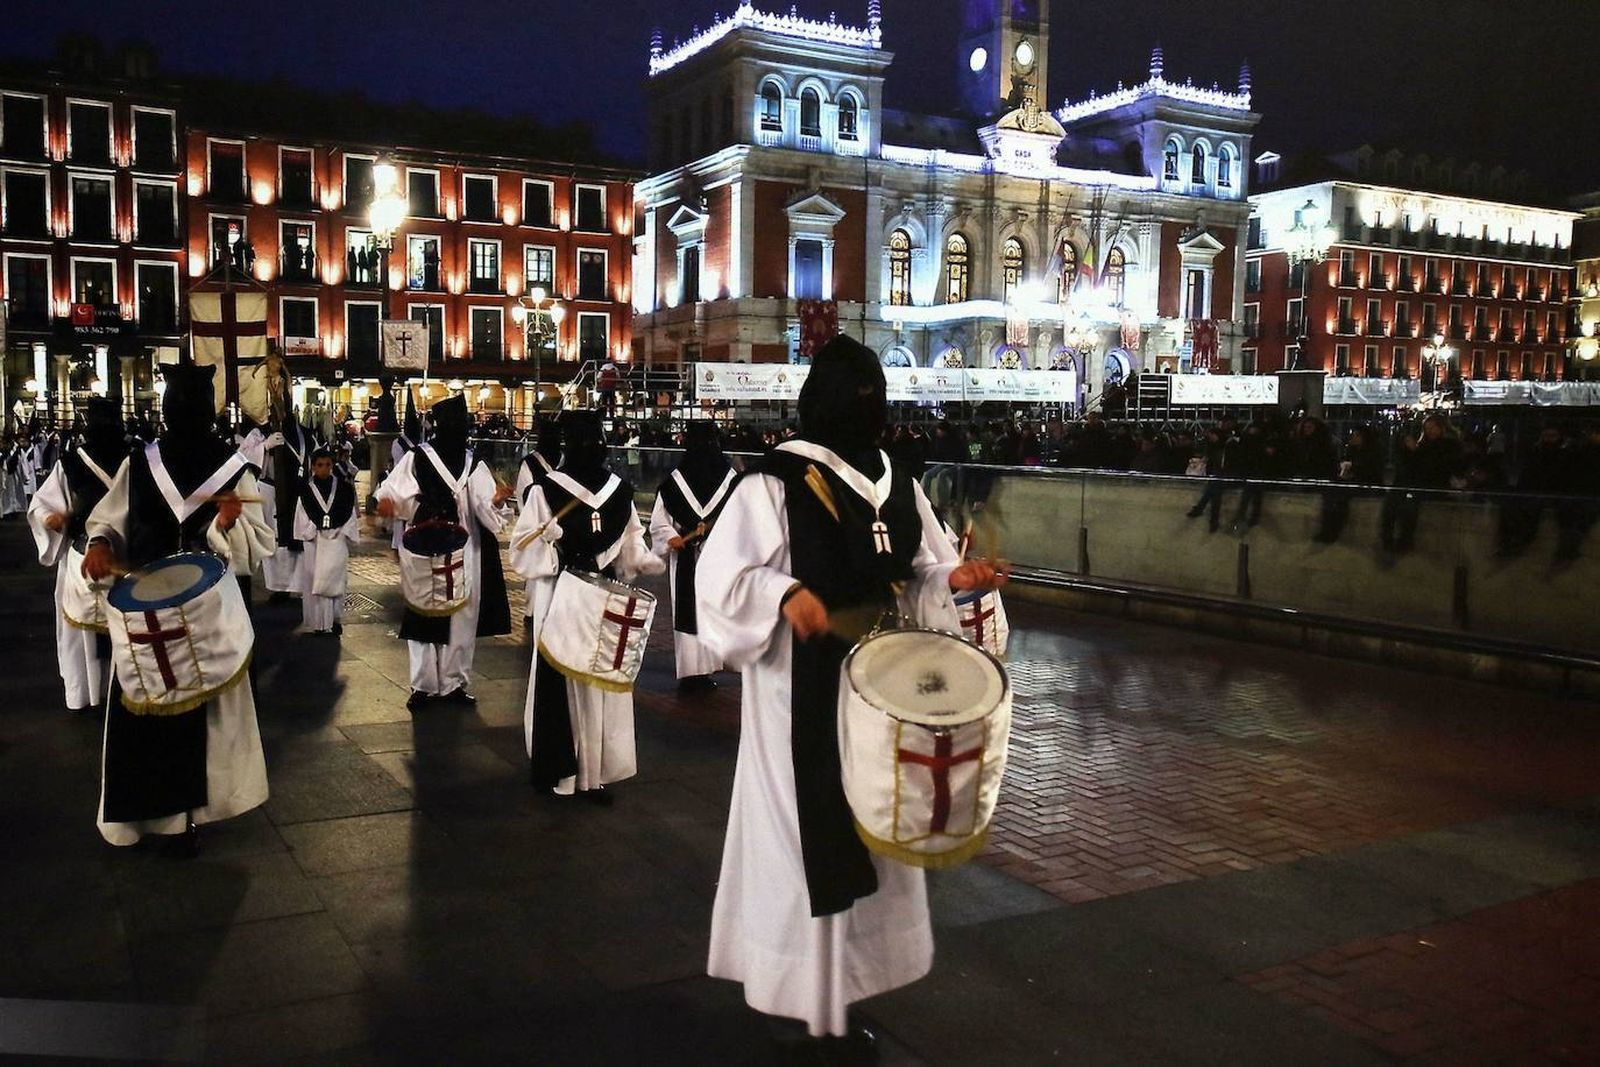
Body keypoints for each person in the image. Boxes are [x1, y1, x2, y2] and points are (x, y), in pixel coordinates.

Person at [695, 336, 1007, 1055]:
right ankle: (806, 1004)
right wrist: (783, 593)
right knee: (803, 839)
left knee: (873, 818)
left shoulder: (898, 482)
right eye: (857, 396)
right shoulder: (775, 482)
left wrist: (953, 579)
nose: (868, 408)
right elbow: (724, 576)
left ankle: (839, 1000)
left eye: (875, 395)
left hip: (879, 687)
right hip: (796, 689)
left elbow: (919, 571)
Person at [81, 364, 274, 849]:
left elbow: (258, 546)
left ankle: (188, 817)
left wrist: (227, 524)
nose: (182, 410)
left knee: (202, 720)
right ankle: (145, 818)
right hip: (146, 609)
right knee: (142, 710)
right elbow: (109, 519)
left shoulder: (232, 467)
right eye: (178, 401)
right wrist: (99, 543)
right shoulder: (141, 462)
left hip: (208, 615)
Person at [511, 411, 663, 803]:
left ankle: (581, 775)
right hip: (592, 592)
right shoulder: (611, 491)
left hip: (573, 592)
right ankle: (582, 775)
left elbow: (524, 551)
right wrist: (643, 560)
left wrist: (554, 545)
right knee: (586, 679)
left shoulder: (555, 490)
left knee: (581, 678)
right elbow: (632, 547)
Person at [376, 394, 512, 709]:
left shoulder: (472, 462)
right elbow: (392, 493)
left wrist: (496, 502)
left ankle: (453, 684)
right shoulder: (418, 458)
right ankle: (423, 685)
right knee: (423, 613)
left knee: (461, 619)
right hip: (426, 547)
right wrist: (393, 505)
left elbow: (485, 507)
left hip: (465, 549)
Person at [28, 397, 126, 712]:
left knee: (87, 635)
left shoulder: (73, 463)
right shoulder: (135, 459)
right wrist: (51, 518)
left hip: (89, 558)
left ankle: (89, 694)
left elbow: (43, 504)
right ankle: (108, 692)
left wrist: (50, 518)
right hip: (116, 557)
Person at [649, 422, 739, 690]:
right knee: (694, 610)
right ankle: (693, 672)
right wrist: (671, 537)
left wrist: (669, 535)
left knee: (705, 610)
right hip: (701, 556)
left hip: (700, 556)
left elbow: (659, 521)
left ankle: (703, 669)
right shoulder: (729, 480)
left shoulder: (676, 483)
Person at [293, 447, 360, 636]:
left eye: (328, 465)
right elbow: (302, 516)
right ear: (313, 467)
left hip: (336, 539)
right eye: (320, 465)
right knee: (314, 578)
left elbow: (349, 514)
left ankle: (335, 619)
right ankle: (318, 623)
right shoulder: (305, 490)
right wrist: (315, 531)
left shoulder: (344, 488)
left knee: (337, 578)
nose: (324, 469)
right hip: (315, 541)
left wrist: (338, 531)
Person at [262, 413, 318, 603]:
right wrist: (264, 447)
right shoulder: (265, 432)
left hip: (300, 491)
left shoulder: (306, 435)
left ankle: (300, 585)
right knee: (278, 540)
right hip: (275, 492)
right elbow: (248, 458)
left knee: (300, 538)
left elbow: (317, 457)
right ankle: (280, 587)